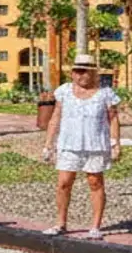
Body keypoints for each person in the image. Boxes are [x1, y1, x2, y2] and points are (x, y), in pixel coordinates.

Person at [41, 53, 121, 239]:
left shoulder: (105, 93)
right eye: (77, 71)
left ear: (93, 73)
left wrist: (115, 143)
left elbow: (113, 119)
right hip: (69, 144)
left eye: (85, 71)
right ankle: (60, 223)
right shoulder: (64, 91)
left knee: (95, 182)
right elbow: (55, 117)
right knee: (63, 183)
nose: (80, 75)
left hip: (95, 145)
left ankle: (95, 227)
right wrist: (48, 144)